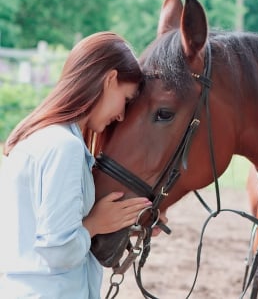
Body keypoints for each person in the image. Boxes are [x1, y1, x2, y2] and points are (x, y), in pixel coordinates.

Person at [0, 32, 162, 298]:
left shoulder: (38, 138)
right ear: (110, 80)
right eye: (126, 99)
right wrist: (95, 224)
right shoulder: (65, 148)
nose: (121, 114)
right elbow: (57, 251)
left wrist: (123, 224)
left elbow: (43, 236)